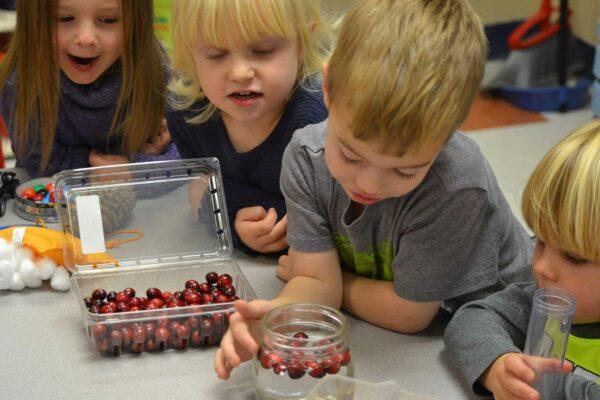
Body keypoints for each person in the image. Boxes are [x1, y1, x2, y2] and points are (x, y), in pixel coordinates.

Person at [214, 0, 534, 379]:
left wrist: (333, 280)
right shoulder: (305, 155)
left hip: (498, 317)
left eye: (404, 170)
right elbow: (317, 283)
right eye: (350, 156)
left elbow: (409, 313)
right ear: (328, 88)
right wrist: (278, 317)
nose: (368, 184)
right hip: (411, 309)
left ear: (450, 131)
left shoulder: (457, 184)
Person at [444, 120, 600, 400]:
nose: (540, 267)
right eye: (540, 241)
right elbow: (471, 319)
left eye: (573, 257)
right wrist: (500, 365)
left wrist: (551, 387)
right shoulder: (540, 298)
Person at [167, 0, 333, 254]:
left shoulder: (319, 119)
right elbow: (200, 191)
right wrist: (233, 222)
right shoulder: (186, 114)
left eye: (263, 50)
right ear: (191, 53)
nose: (240, 73)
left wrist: (224, 200)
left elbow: (328, 218)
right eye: (216, 54)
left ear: (301, 43)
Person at [0, 0, 178, 179]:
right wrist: (123, 169)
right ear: (32, 21)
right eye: (65, 18)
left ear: (138, 22)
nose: (86, 38)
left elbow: (188, 155)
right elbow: (39, 164)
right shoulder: (21, 82)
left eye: (108, 20)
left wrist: (132, 169)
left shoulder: (154, 67)